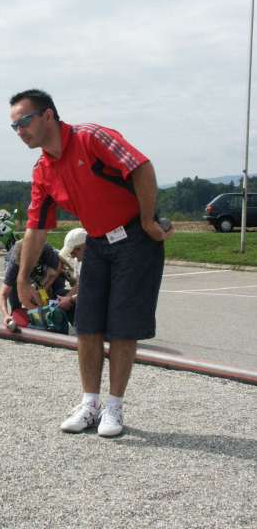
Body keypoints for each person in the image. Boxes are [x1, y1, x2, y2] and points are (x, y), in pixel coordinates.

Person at [9, 89, 173, 437]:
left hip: (135, 239)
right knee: (87, 324)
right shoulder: (42, 170)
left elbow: (141, 168)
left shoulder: (91, 138)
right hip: (97, 241)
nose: (20, 130)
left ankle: (114, 407)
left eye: (24, 121)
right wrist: (22, 278)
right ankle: (90, 405)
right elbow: (36, 228)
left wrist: (147, 221)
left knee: (123, 326)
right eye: (14, 126)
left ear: (48, 116)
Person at [0, 239, 68, 330]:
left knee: (58, 282)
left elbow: (57, 268)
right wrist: (5, 315)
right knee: (15, 290)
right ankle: (18, 314)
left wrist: (44, 288)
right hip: (19, 274)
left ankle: (55, 314)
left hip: (44, 270)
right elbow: (3, 294)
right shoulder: (14, 265)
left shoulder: (45, 249)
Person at [56, 227, 87, 313]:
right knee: (61, 293)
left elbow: (92, 291)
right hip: (86, 295)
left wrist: (70, 300)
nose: (72, 256)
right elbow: (80, 284)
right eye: (71, 253)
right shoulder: (79, 261)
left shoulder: (97, 264)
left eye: (74, 252)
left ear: (84, 246)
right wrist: (65, 298)